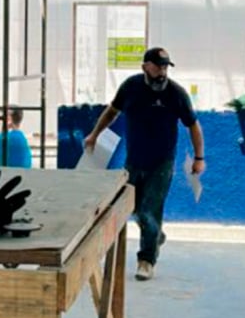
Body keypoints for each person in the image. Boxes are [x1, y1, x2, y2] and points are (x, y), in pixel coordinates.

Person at [83, 47, 205, 281]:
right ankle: (155, 234)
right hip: (134, 160)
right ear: (145, 66)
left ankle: (146, 260)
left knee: (149, 211)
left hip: (162, 162)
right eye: (158, 65)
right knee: (134, 210)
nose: (162, 70)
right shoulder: (131, 87)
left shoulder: (176, 94)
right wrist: (94, 134)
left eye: (166, 66)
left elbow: (193, 126)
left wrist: (199, 159)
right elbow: (112, 111)